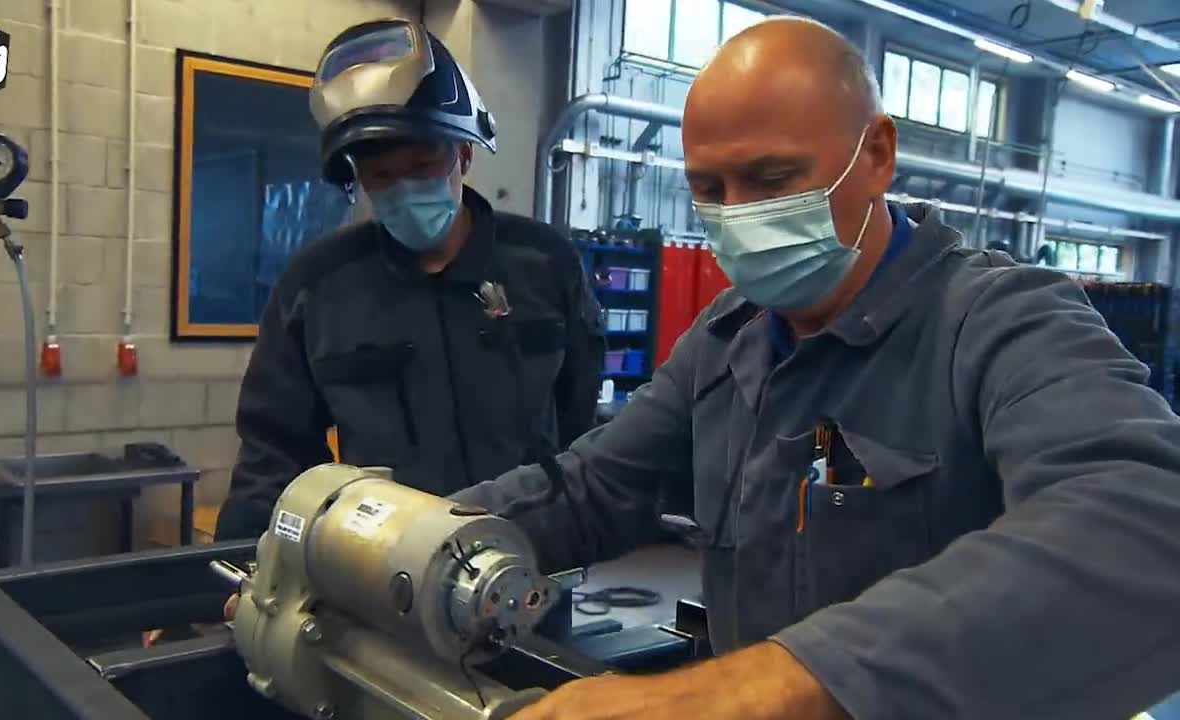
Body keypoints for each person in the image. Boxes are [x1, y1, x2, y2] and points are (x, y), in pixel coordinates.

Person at [451, 17, 1180, 720]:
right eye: (710, 191)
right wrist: (426, 534)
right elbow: (597, 486)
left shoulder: (1000, 324)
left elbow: (1148, 523)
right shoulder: (728, 339)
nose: (738, 216)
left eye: (772, 178)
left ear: (878, 154)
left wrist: (771, 685)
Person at [213, 20, 605, 540]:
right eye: (382, 177)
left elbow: (579, 421)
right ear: (358, 179)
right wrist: (248, 557)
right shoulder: (319, 286)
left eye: (422, 165)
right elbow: (273, 455)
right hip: (385, 562)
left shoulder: (545, 263)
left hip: (529, 554)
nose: (404, 188)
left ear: (463, 154)